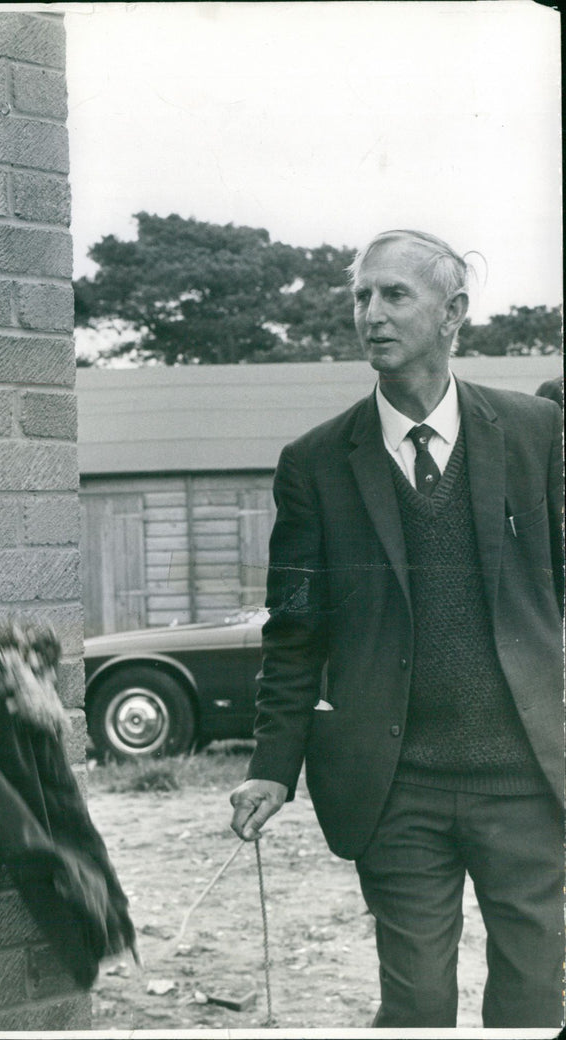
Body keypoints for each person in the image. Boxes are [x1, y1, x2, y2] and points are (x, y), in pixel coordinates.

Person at [230, 229, 565, 1029]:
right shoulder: (315, 462)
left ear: (453, 313)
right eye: (360, 296)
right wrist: (272, 765)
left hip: (527, 778)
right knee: (415, 1002)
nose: (369, 314)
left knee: (531, 997)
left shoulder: (535, 433)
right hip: (394, 785)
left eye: (393, 295)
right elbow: (296, 629)